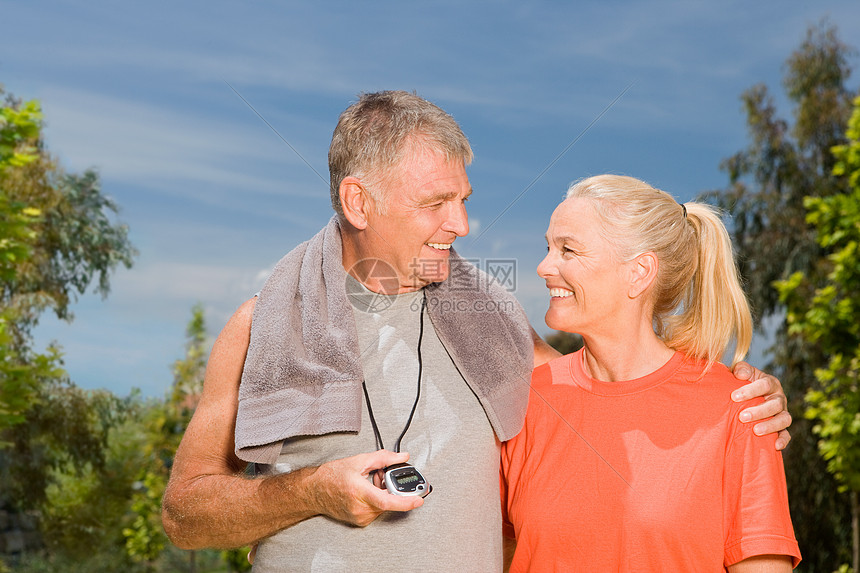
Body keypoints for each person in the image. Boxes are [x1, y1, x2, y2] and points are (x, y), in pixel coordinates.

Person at [161, 93, 792, 572]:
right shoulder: (260, 329)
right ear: (358, 203)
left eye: (463, 198)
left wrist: (739, 391)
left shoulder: (494, 326)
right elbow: (183, 515)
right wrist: (314, 490)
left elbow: (613, 383)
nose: (460, 224)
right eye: (435, 203)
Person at [501, 175, 801, 571]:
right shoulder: (524, 402)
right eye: (549, 247)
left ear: (639, 272)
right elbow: (495, 553)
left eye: (568, 250)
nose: (543, 266)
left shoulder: (740, 411)